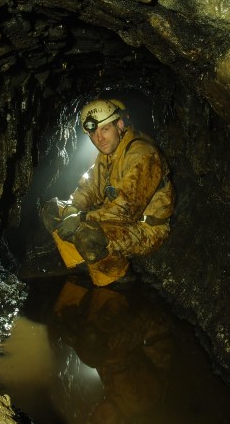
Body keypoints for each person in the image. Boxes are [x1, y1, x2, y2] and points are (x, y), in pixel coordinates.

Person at [39, 98, 175, 286]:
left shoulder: (143, 154)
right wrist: (72, 208)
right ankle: (85, 259)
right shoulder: (106, 155)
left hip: (146, 230)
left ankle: (119, 278)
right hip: (115, 218)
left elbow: (125, 211)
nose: (99, 138)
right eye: (93, 133)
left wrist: (81, 217)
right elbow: (89, 187)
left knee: (88, 236)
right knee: (52, 211)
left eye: (105, 129)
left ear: (119, 125)